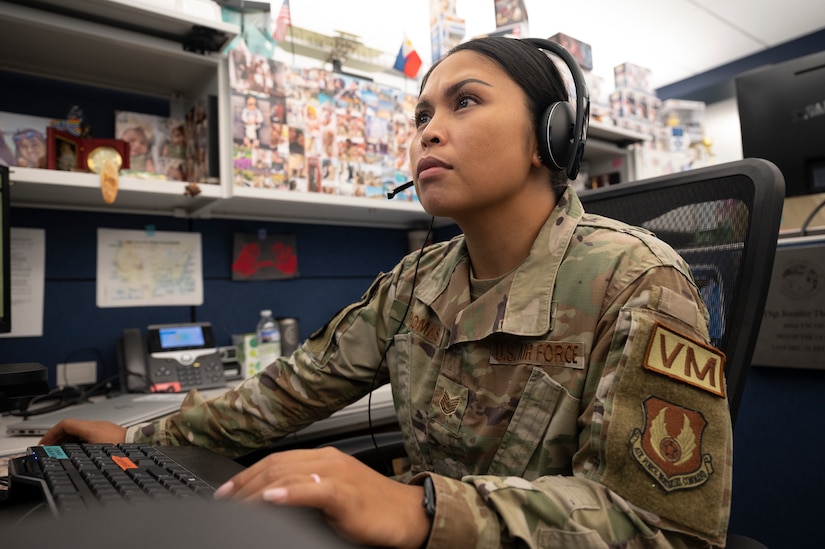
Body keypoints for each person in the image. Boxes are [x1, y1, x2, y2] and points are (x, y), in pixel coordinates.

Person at [42, 36, 732, 548]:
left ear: (547, 137)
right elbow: (283, 392)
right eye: (421, 113)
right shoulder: (415, 282)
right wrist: (139, 437)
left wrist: (423, 508)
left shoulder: (638, 281)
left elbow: (663, 527)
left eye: (464, 102)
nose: (428, 129)